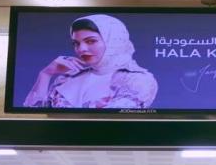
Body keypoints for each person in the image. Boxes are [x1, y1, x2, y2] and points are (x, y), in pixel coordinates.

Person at [24, 14, 158, 109]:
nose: (81, 49)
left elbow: (107, 126)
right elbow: (33, 120)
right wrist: (46, 74)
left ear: (114, 41)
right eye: (76, 43)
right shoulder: (66, 79)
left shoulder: (138, 80)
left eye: (91, 41)